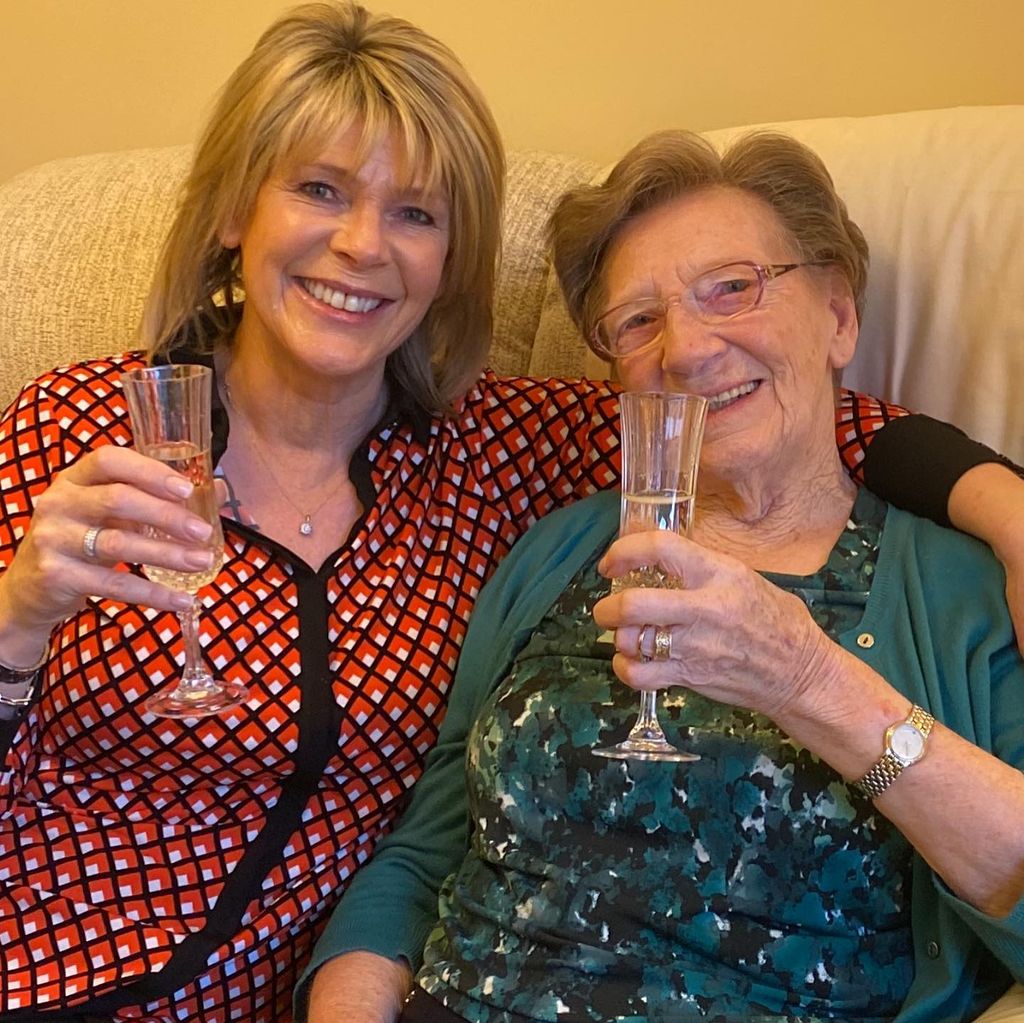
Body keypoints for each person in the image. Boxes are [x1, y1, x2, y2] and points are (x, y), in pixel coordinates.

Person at [0, 6, 1021, 1023]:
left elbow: (789, 420)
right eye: (318, 189)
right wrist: (15, 619)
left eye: (416, 213)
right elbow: (430, 842)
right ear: (233, 212)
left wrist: (1002, 512)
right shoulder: (79, 429)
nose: (689, 348)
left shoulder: (489, 454)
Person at [303, 130, 1024, 1023]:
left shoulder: (968, 590)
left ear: (839, 313)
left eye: (733, 287)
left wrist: (806, 679)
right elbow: (424, 853)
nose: (685, 349)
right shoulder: (560, 549)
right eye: (639, 321)